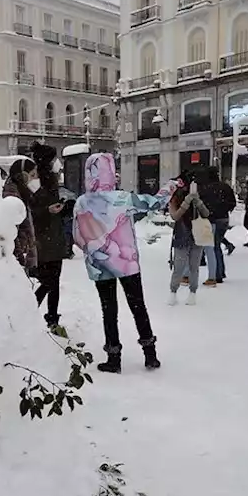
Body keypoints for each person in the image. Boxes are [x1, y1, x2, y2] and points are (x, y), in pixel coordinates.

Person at [73, 152, 165, 373]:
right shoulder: (123, 198)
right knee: (138, 306)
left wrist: (92, 249)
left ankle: (113, 358)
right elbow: (155, 203)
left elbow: (77, 236)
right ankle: (150, 355)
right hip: (127, 263)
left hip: (100, 264)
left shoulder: (81, 202)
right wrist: (171, 186)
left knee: (109, 310)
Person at [29, 143, 69, 328]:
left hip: (54, 238)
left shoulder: (52, 181)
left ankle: (52, 317)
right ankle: (28, 311)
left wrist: (62, 208)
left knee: (54, 282)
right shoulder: (35, 183)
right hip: (43, 240)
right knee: (48, 282)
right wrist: (47, 210)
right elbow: (31, 212)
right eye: (54, 159)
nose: (57, 163)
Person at [169, 179, 209, 305]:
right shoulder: (175, 198)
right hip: (182, 235)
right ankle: (173, 293)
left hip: (197, 235)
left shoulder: (200, 196)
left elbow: (206, 213)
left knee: (194, 266)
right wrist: (186, 202)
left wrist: (197, 201)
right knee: (179, 267)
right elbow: (175, 216)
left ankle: (193, 293)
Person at [2, 158, 39, 270]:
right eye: (32, 175)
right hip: (18, 262)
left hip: (23, 257)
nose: (36, 179)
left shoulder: (22, 192)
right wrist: (19, 261)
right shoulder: (12, 196)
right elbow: (10, 234)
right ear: (23, 176)